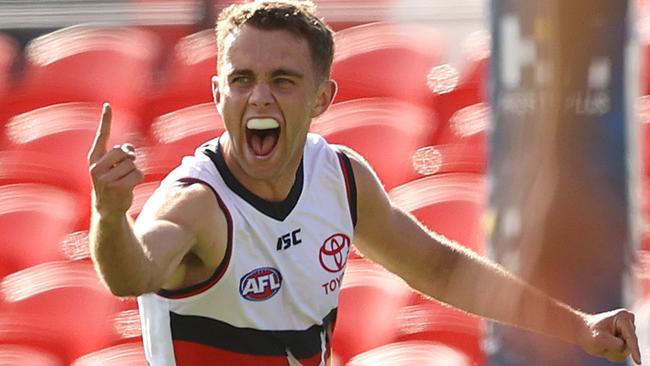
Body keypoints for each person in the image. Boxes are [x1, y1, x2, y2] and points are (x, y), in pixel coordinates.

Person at [87, 1, 642, 365]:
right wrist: (110, 216)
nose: (259, 96)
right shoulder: (196, 202)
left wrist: (579, 326)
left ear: (322, 98)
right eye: (241, 80)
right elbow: (131, 273)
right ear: (217, 94)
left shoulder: (341, 179)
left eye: (282, 80)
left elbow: (440, 267)